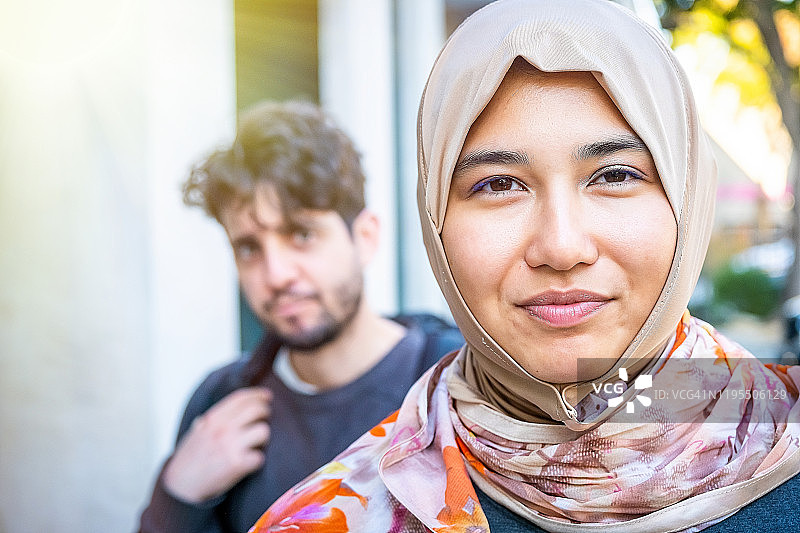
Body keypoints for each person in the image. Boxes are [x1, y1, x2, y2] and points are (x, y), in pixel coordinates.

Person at [247, 1, 800, 532]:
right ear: (435, 218)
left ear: (687, 197)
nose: (561, 248)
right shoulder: (328, 517)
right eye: (497, 185)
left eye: (613, 175)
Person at [137, 100, 462, 533]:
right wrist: (178, 496)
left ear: (364, 238)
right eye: (250, 248)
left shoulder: (453, 380)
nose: (276, 275)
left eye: (302, 235)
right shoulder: (222, 402)